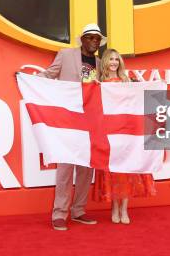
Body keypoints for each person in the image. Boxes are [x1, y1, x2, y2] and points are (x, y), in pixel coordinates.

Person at [37, 23, 106, 231]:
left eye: (97, 39)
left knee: (86, 169)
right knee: (65, 169)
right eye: (90, 38)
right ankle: (59, 213)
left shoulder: (99, 63)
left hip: (89, 122)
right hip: (68, 122)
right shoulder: (66, 56)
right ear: (82, 40)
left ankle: (78, 211)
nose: (94, 41)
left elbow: (103, 90)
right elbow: (49, 75)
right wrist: (28, 80)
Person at [92, 49, 157, 224]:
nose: (114, 62)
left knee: (127, 171)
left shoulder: (128, 81)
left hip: (126, 132)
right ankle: (114, 208)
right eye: (111, 59)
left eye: (116, 59)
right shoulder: (100, 83)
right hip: (109, 133)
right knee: (112, 171)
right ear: (105, 62)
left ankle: (124, 210)